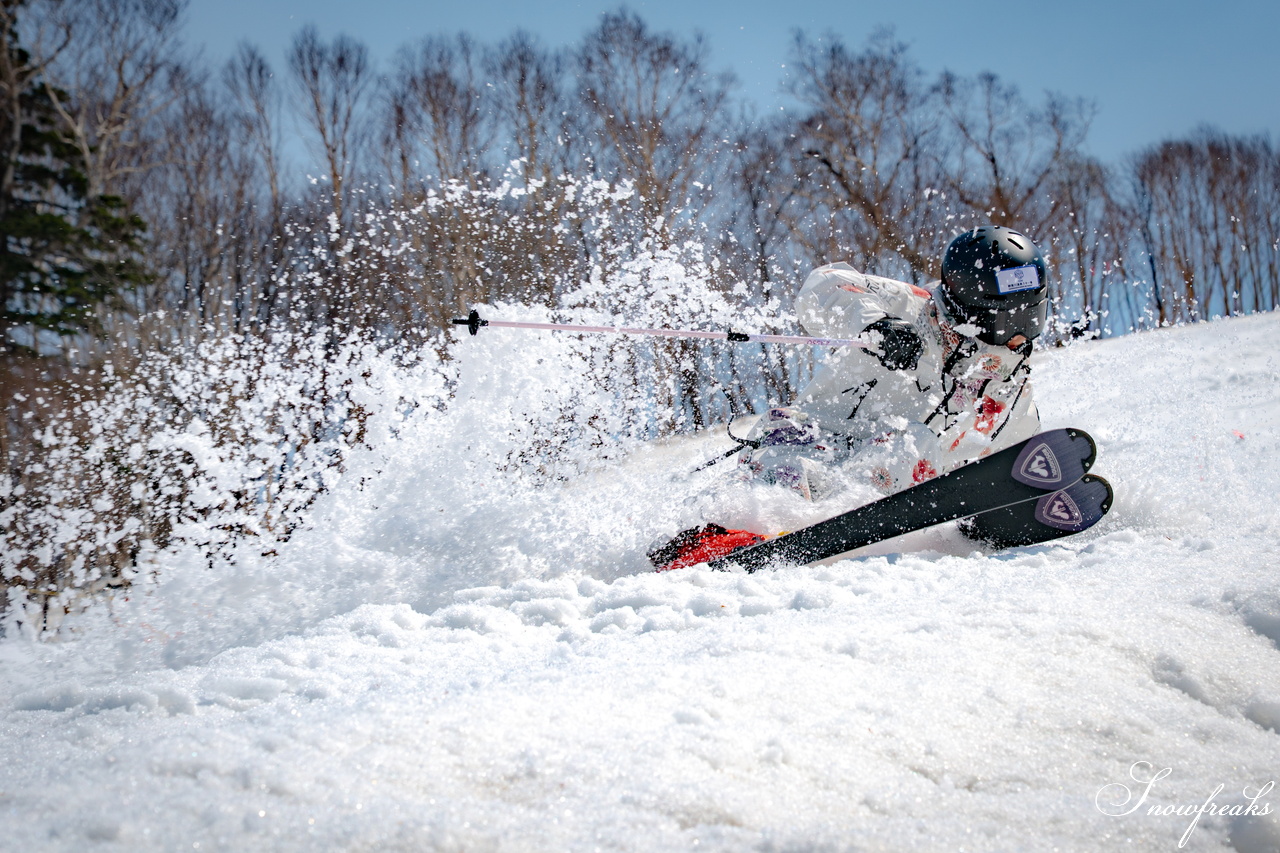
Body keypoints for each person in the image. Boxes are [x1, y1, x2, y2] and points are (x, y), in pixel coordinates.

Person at [650, 225, 1050, 571]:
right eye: (1009, 321)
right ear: (967, 311)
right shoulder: (910, 306)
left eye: (1033, 317)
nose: (1022, 335)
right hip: (818, 437)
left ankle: (837, 520)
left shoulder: (1008, 389)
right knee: (785, 453)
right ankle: (721, 535)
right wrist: (879, 325)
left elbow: (1016, 459)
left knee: (905, 445)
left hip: (894, 482)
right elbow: (823, 286)